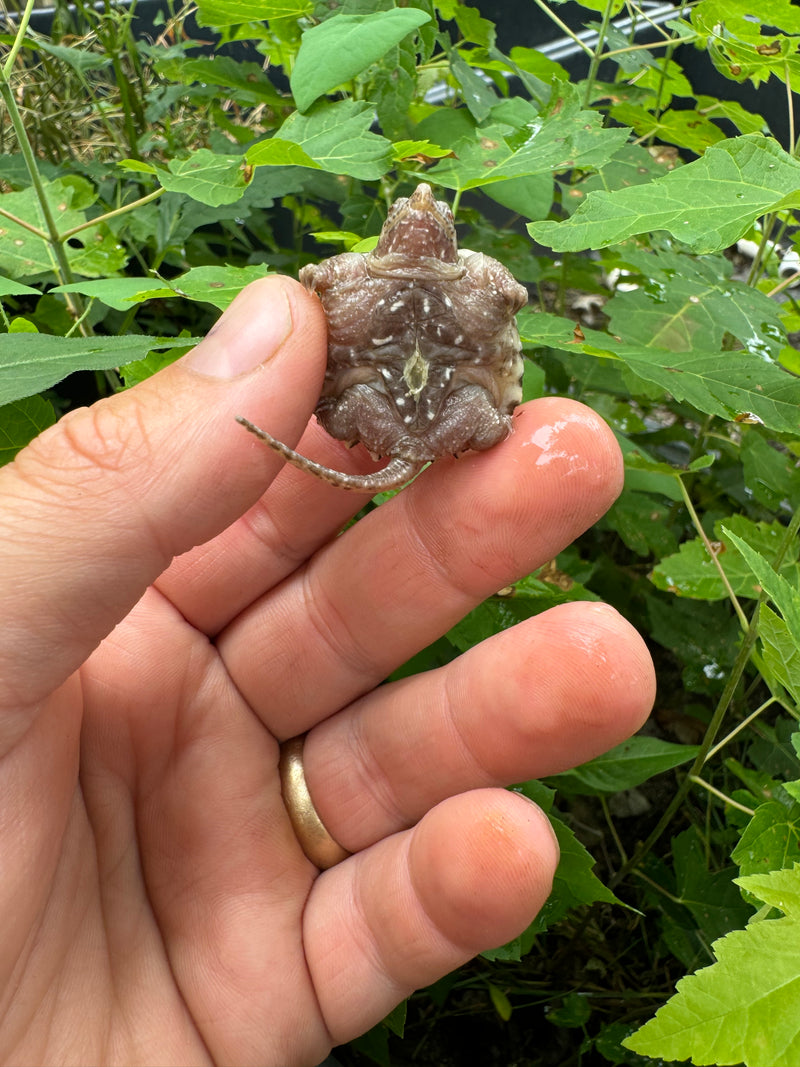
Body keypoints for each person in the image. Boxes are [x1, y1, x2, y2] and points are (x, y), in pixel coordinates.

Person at [0, 276, 655, 1066]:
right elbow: (487, 293)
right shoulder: (407, 280)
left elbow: (490, 295)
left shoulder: (444, 281)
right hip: (419, 407)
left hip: (416, 406)